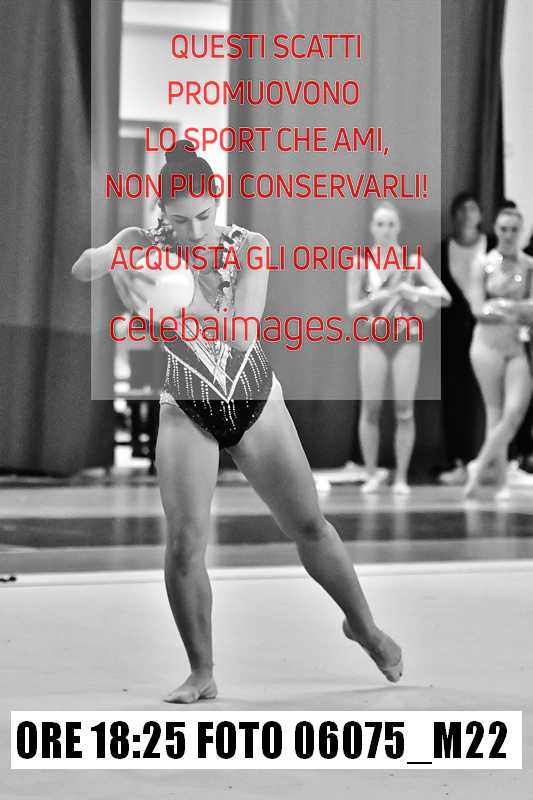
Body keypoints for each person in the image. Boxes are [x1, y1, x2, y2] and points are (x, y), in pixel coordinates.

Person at [72, 142, 403, 702]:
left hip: (252, 397)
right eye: (180, 220)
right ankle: (201, 670)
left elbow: (245, 333)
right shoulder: (143, 245)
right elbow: (84, 266)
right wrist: (117, 263)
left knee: (309, 526)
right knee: (184, 543)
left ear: (217, 199)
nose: (195, 231)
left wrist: (178, 303)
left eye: (204, 215)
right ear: (161, 211)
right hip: (186, 403)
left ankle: (364, 627)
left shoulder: (249, 246)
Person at [347, 203, 450, 495]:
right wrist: (377, 299)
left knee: (404, 411)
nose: (386, 230)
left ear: (399, 227)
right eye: (380, 224)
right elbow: (352, 310)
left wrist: (414, 292)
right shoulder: (360, 264)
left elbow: (444, 297)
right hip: (373, 339)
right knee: (370, 409)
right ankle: (371, 474)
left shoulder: (412, 262)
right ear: (372, 228)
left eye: (391, 224)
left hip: (406, 339)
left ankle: (401, 477)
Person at [464, 206, 533, 499]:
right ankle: (500, 482)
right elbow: (478, 309)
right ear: (495, 229)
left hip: (517, 345)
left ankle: (479, 465)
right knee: (494, 411)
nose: (508, 235)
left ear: (521, 231)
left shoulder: (529, 265)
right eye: (503, 229)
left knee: (514, 413)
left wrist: (502, 306)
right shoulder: (482, 263)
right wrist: (516, 309)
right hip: (487, 344)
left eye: (514, 229)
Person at [438, 193, 493, 485]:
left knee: (494, 397)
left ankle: (498, 461)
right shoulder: (443, 249)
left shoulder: (493, 245)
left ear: (480, 214)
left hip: (491, 331)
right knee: (455, 398)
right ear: (454, 215)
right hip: (454, 335)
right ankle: (458, 460)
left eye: (472, 208)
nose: (466, 213)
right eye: (460, 209)